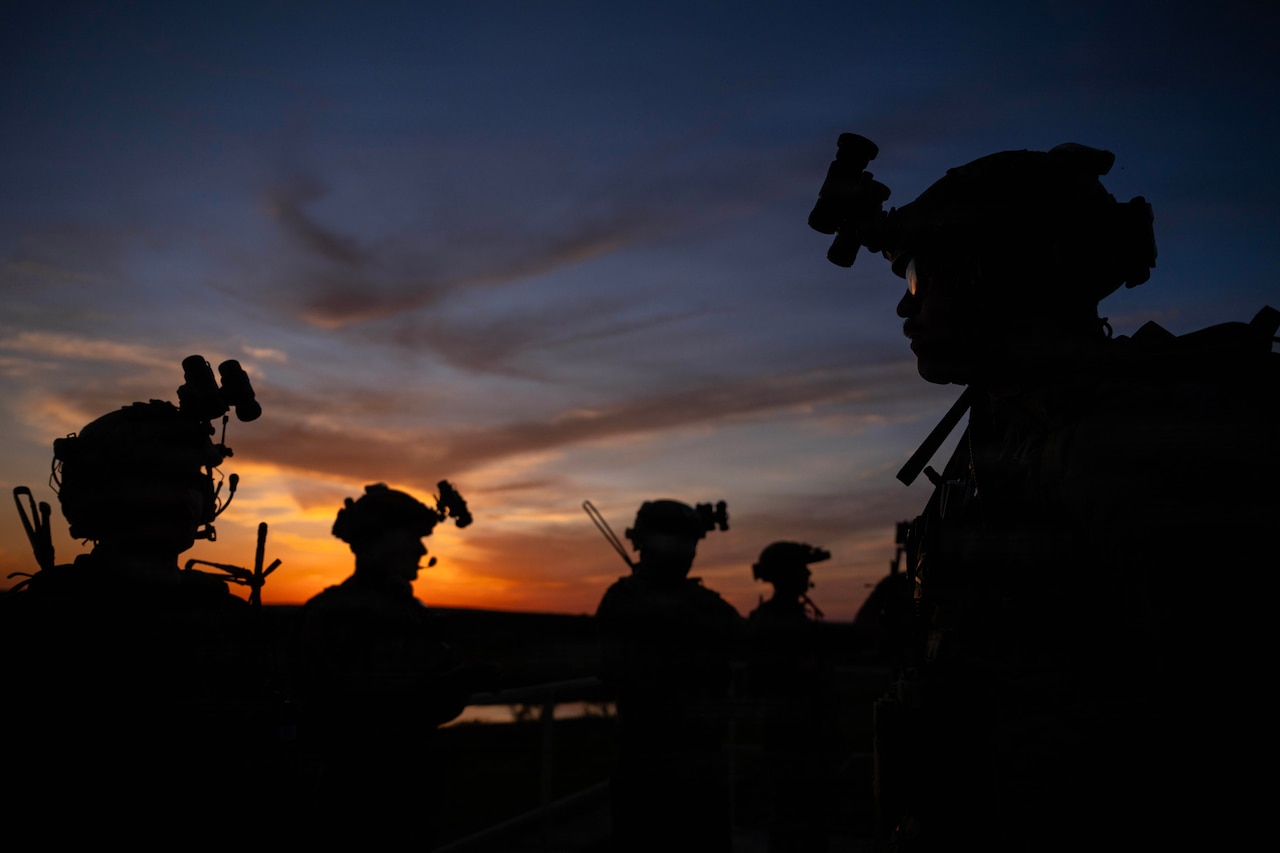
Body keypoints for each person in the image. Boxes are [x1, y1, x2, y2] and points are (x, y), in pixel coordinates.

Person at [810, 138, 1277, 850]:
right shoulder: (1011, 433)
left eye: (918, 279)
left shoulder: (1131, 446)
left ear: (993, 277)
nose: (906, 310)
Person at [0, 356, 266, 812]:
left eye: (185, 479)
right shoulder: (43, 622)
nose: (180, 495)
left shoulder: (230, 621)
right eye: (155, 478)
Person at [291, 481, 493, 840]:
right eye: (410, 537)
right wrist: (455, 683)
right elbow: (365, 707)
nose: (421, 548)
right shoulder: (341, 613)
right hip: (359, 800)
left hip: (406, 796)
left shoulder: (402, 610)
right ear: (375, 541)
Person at [595, 499, 742, 853]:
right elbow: (611, 665)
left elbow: (741, 635)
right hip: (648, 764)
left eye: (686, 543)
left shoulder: (702, 603)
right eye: (671, 541)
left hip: (702, 763)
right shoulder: (625, 598)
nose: (680, 552)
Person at [747, 542, 838, 852]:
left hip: (796, 731)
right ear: (786, 575)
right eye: (801, 568)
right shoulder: (777, 622)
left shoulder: (777, 617)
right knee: (795, 815)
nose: (807, 573)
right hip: (792, 734)